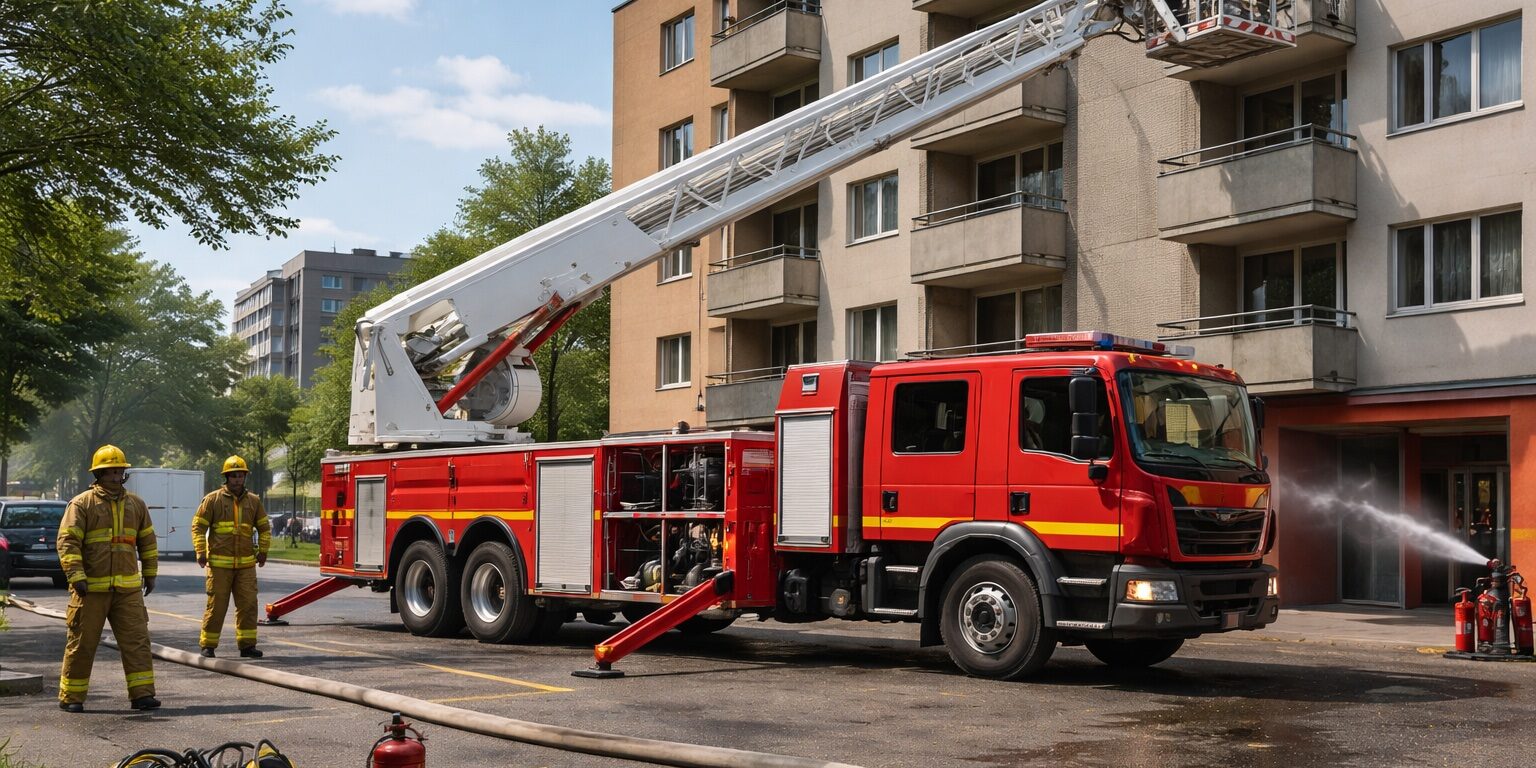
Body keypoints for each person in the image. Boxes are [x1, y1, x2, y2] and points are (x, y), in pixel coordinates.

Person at [55, 445, 160, 713]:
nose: (115, 476)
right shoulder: (82, 504)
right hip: (91, 590)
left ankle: (142, 695)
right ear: (99, 474)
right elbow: (68, 542)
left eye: (119, 471)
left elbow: (147, 542)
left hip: (127, 590)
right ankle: (72, 697)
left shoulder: (136, 505)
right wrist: (76, 575)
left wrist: (150, 573)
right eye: (110, 471)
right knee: (82, 644)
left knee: (137, 642)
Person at [192, 455, 271, 659]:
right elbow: (198, 527)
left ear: (245, 477)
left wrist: (263, 551)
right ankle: (208, 645)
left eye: (240, 476)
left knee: (248, 605)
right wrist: (201, 551)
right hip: (219, 565)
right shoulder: (213, 499)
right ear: (226, 477)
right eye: (233, 476)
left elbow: (264, 528)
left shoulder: (254, 501)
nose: (237, 479)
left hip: (246, 565)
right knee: (216, 606)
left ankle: (247, 646)